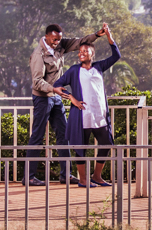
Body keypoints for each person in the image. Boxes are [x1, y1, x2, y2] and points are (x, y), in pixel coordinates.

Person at [26, 23, 105, 186]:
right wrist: (53, 89)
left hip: (57, 97)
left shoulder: (61, 45)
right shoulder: (38, 54)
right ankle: (29, 177)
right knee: (37, 136)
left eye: (59, 40)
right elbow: (37, 82)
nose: (57, 42)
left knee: (64, 135)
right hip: (42, 98)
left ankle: (65, 175)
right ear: (47, 36)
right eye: (54, 40)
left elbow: (80, 41)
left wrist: (97, 35)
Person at [51, 24, 120, 187]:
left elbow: (116, 55)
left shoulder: (99, 67)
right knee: (81, 147)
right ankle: (83, 180)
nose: (81, 53)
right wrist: (72, 99)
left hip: (99, 115)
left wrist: (109, 36)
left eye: (85, 51)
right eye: (80, 52)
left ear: (92, 53)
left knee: (107, 144)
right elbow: (56, 85)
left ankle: (96, 176)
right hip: (82, 116)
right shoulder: (74, 70)